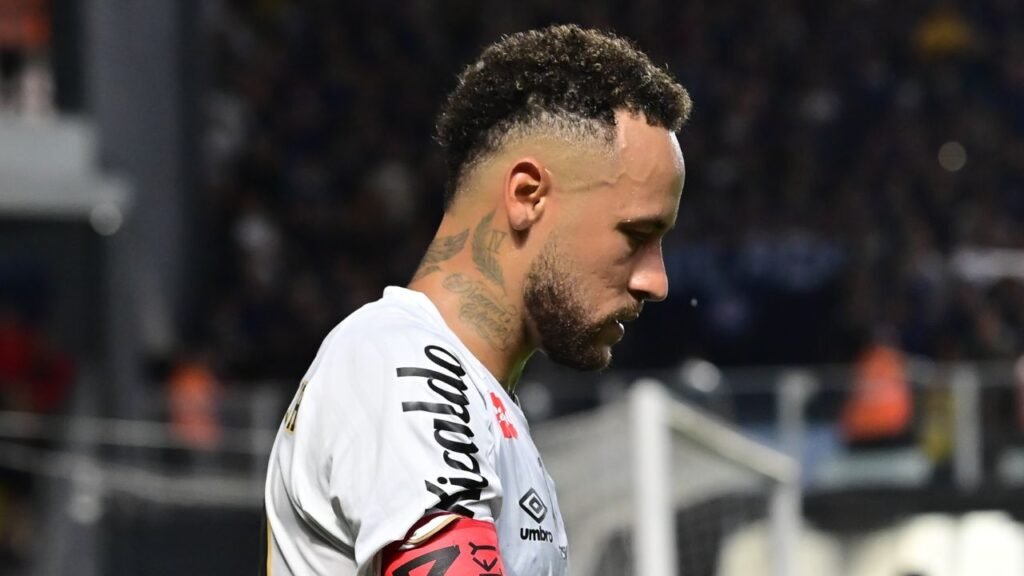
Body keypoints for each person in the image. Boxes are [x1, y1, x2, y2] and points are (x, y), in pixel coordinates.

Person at [264, 24, 691, 576]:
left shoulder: (477, 398)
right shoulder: (403, 361)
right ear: (527, 196)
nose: (657, 281)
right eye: (636, 235)